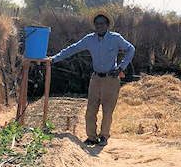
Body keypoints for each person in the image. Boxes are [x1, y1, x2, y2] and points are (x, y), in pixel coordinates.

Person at [50, 13, 135, 146]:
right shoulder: (89, 39)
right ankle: (91, 137)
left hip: (111, 79)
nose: (99, 26)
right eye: (97, 24)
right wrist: (54, 59)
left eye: (102, 23)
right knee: (91, 109)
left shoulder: (115, 38)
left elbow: (131, 49)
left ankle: (104, 136)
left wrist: (120, 68)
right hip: (96, 78)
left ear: (107, 25)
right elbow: (73, 49)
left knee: (107, 110)